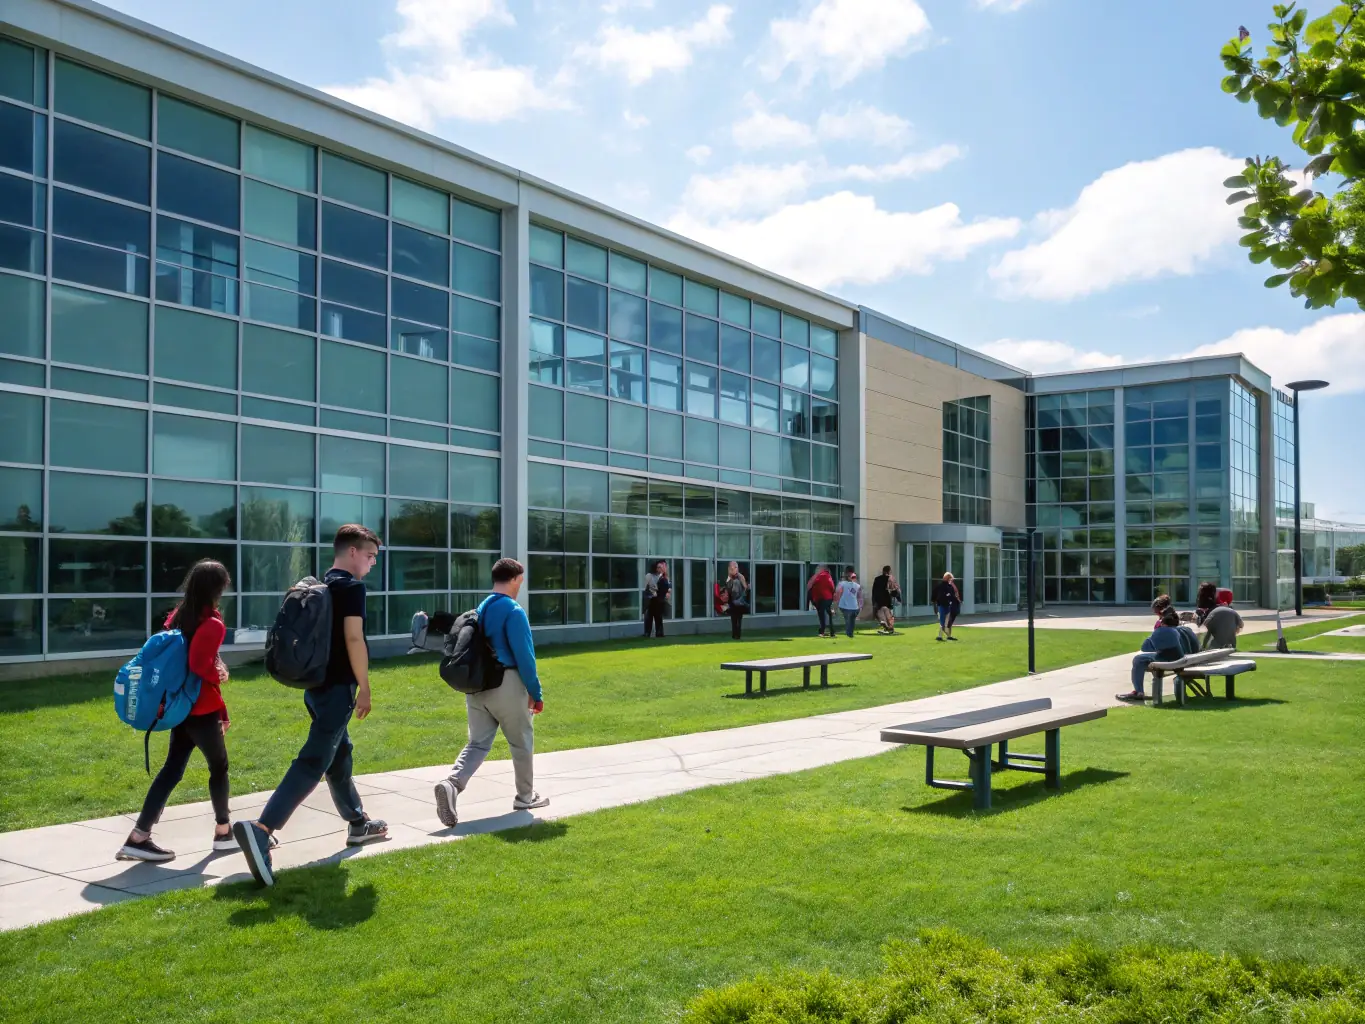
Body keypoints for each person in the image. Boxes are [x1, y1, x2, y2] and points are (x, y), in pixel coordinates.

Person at [233, 524, 389, 888]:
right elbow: (354, 637)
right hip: (337, 687)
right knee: (315, 759)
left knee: (339, 753)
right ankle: (262, 829)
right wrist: (364, 686)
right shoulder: (350, 588)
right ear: (351, 552)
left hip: (315, 686)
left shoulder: (318, 584)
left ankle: (357, 823)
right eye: (369, 557)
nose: (371, 564)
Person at [118, 559, 233, 863]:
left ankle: (139, 837)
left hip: (179, 707)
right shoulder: (212, 624)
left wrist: (215, 665)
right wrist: (218, 674)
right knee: (218, 767)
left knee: (172, 770)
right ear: (217, 588)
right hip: (201, 709)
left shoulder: (180, 616)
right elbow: (198, 665)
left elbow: (193, 658)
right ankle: (224, 832)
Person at [434, 558, 548, 827]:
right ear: (515, 579)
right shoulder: (513, 610)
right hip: (506, 683)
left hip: (476, 687)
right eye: (521, 579)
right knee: (521, 742)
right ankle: (525, 797)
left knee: (477, 743)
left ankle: (452, 783)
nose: (522, 584)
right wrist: (536, 692)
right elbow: (525, 656)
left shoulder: (481, 608)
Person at [1118, 606, 1186, 702]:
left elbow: (1145, 647)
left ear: (1163, 623)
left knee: (1138, 659)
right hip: (1179, 659)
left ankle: (1139, 691)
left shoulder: (1161, 631)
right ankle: (1139, 691)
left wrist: (1155, 631)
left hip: (1167, 660)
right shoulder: (1176, 631)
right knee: (1143, 659)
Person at [642, 560, 671, 638]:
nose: (660, 569)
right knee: (649, 617)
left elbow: (668, 586)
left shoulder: (664, 576)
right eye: (658, 567)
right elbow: (644, 587)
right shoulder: (649, 576)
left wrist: (668, 592)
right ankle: (647, 633)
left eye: (661, 567)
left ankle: (659, 633)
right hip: (651, 599)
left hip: (659, 600)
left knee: (658, 617)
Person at [806, 564, 836, 638]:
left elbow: (811, 586)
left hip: (819, 598)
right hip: (828, 598)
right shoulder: (828, 576)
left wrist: (813, 600)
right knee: (830, 614)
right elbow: (832, 587)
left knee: (821, 615)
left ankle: (822, 631)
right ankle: (832, 632)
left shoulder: (817, 577)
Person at [871, 565, 901, 635]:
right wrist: (898, 598)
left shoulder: (877, 579)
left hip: (879, 600)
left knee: (880, 614)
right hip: (888, 600)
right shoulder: (891, 579)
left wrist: (874, 601)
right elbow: (896, 590)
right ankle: (890, 628)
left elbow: (874, 591)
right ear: (889, 571)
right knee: (888, 615)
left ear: (883, 571)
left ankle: (886, 627)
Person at [834, 570, 863, 638]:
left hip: (845, 606)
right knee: (851, 621)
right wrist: (860, 606)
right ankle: (850, 633)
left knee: (848, 620)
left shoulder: (842, 584)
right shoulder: (857, 586)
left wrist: (836, 604)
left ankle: (849, 633)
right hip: (854, 607)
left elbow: (838, 594)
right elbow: (860, 597)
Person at [932, 572, 961, 641]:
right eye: (950, 579)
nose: (950, 580)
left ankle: (943, 636)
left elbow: (952, 596)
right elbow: (935, 596)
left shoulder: (948, 587)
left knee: (945, 622)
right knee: (943, 622)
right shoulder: (942, 586)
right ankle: (944, 636)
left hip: (946, 606)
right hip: (942, 605)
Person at [723, 561, 749, 639]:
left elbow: (745, 588)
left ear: (736, 568)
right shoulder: (729, 577)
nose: (732, 569)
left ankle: (738, 635)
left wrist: (742, 596)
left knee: (738, 620)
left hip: (739, 602)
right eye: (730, 568)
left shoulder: (740, 577)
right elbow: (727, 587)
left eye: (733, 568)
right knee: (733, 619)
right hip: (732, 602)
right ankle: (734, 635)